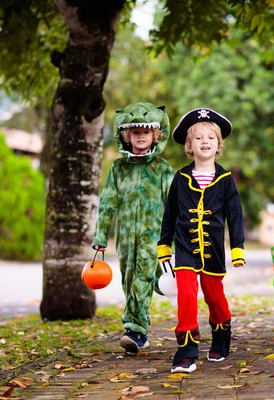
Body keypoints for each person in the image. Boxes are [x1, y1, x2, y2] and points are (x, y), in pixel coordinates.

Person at [157, 108, 245, 374]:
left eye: (211, 137)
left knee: (214, 297)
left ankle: (221, 336)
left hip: (214, 252)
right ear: (189, 145)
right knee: (185, 296)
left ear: (219, 145)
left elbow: (236, 216)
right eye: (198, 138)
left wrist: (238, 248)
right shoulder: (180, 178)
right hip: (184, 249)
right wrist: (164, 245)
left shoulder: (226, 179)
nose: (205, 141)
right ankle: (186, 351)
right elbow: (170, 214)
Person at [92, 102, 174, 353]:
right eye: (135, 132)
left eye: (145, 132)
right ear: (126, 136)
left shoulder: (162, 169)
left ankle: (134, 330)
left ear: (156, 135)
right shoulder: (118, 169)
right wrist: (101, 235)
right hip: (126, 237)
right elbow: (107, 203)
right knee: (129, 279)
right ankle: (141, 326)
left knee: (143, 277)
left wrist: (177, 236)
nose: (140, 136)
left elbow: (174, 205)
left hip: (154, 236)